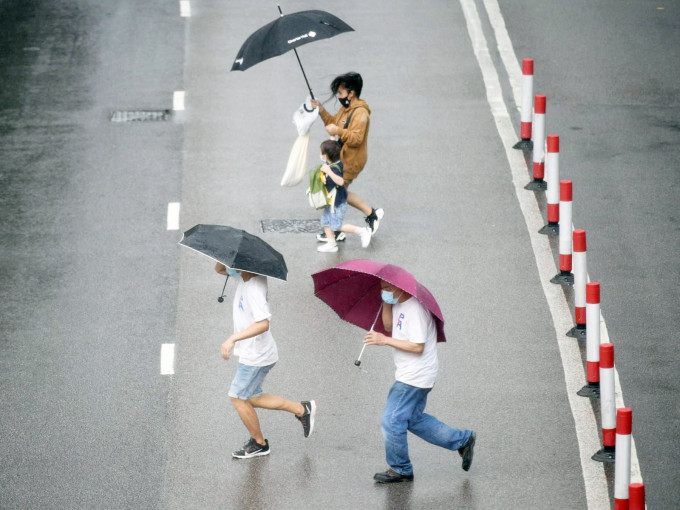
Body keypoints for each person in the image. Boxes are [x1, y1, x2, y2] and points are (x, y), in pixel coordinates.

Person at [363, 279, 476, 483]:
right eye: (381, 289)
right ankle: (462, 440)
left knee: (391, 420)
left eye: (387, 288)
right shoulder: (398, 302)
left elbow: (417, 347)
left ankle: (400, 469)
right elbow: (388, 325)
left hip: (414, 377)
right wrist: (386, 302)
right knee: (413, 419)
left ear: (399, 286)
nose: (384, 292)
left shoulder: (415, 310)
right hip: (412, 374)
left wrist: (384, 340)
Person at [215, 263, 316, 458]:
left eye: (233, 263)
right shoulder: (246, 276)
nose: (229, 267)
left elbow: (263, 324)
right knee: (252, 397)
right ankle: (302, 409)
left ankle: (260, 444)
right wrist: (225, 258)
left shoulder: (254, 287)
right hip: (255, 352)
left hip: (256, 355)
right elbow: (219, 270)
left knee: (237, 397)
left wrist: (232, 338)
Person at [310, 72, 384, 243]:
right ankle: (362, 217)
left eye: (341, 93)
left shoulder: (360, 114)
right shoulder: (346, 109)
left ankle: (367, 216)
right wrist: (321, 109)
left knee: (338, 192)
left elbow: (356, 139)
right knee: (338, 192)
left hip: (352, 160)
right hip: (343, 158)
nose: (338, 96)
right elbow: (333, 123)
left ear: (351, 93)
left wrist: (338, 132)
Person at [316, 140, 372, 253]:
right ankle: (331, 244)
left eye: (321, 153)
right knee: (325, 222)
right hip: (331, 202)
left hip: (337, 202)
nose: (320, 155)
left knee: (336, 226)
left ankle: (362, 231)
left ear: (326, 155)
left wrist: (329, 172)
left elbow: (340, 181)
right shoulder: (332, 163)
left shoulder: (335, 167)